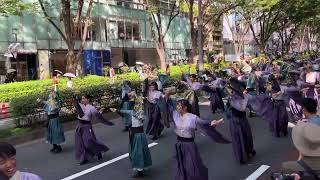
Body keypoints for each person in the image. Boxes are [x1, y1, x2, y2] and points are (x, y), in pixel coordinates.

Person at [171, 99, 229, 180]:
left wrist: (212, 123)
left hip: (189, 145)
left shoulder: (192, 118)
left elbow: (203, 123)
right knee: (180, 165)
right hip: (179, 144)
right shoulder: (175, 114)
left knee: (192, 166)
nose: (177, 107)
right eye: (177, 105)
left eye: (180, 106)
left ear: (185, 108)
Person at [111, 96, 152, 178]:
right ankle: (139, 168)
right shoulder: (133, 111)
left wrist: (137, 108)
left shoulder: (141, 113)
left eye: (139, 104)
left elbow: (140, 117)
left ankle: (140, 170)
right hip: (133, 134)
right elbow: (124, 111)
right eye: (136, 104)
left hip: (139, 135)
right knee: (134, 151)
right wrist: (116, 110)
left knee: (139, 152)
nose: (136, 106)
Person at [73, 95, 114, 165]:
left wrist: (107, 122)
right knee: (80, 143)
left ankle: (98, 151)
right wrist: (74, 110)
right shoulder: (79, 105)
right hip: (79, 125)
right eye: (82, 98)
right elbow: (76, 113)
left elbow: (99, 117)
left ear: (88, 100)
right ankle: (83, 158)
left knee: (88, 142)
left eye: (84, 98)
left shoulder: (91, 108)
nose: (82, 100)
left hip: (87, 126)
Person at [225, 78, 256, 164]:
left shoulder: (242, 95)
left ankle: (249, 151)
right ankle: (241, 157)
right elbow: (241, 108)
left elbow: (253, 102)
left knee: (247, 136)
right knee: (238, 139)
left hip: (243, 119)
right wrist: (245, 99)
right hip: (235, 120)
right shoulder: (231, 98)